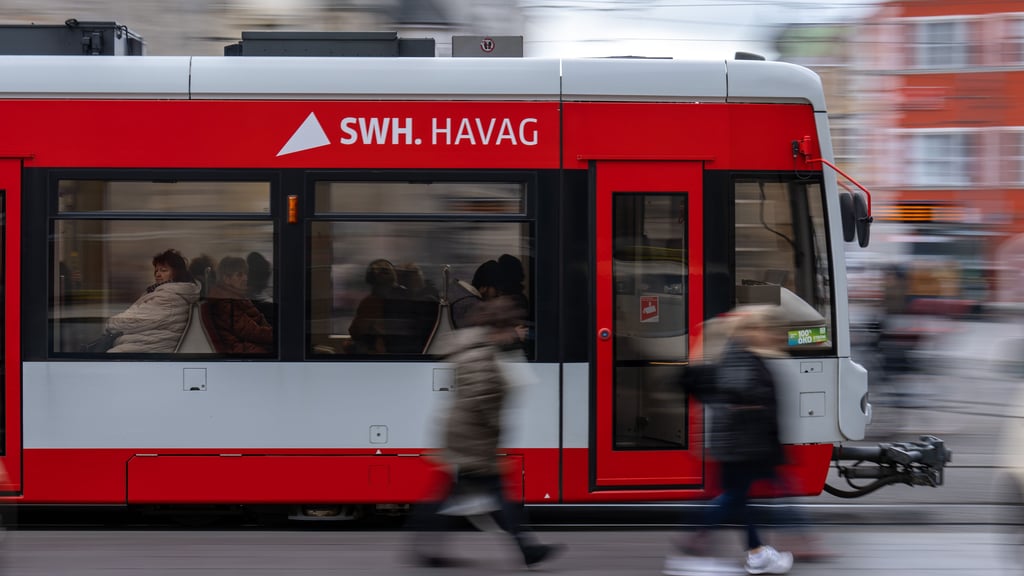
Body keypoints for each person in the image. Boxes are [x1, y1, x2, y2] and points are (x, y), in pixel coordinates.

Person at [407, 296, 563, 569]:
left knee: (457, 494)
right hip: (473, 437)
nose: (517, 331)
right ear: (499, 327)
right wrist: (494, 430)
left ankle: (423, 548)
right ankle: (527, 548)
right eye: (513, 326)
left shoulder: (480, 348)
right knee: (498, 494)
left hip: (467, 434)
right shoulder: (481, 354)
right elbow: (482, 398)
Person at [665, 305, 794, 576]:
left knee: (738, 499)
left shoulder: (744, 355)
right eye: (766, 330)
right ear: (752, 331)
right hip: (742, 444)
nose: (772, 335)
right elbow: (738, 396)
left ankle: (757, 553)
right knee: (733, 498)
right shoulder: (741, 357)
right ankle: (689, 553)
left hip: (742, 443)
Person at [106, 249, 201, 353]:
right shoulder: (166, 294)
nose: (158, 274)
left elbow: (134, 321)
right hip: (146, 343)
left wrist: (110, 323)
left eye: (163, 270)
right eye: (156, 270)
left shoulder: (168, 298)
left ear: (177, 273)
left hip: (150, 347)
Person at [205, 256, 274, 354]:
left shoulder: (236, 296)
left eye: (245, 274)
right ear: (226, 279)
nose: (245, 278)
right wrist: (277, 336)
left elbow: (257, 320)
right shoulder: (224, 302)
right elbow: (250, 332)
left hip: (246, 343)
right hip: (237, 349)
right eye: (239, 275)